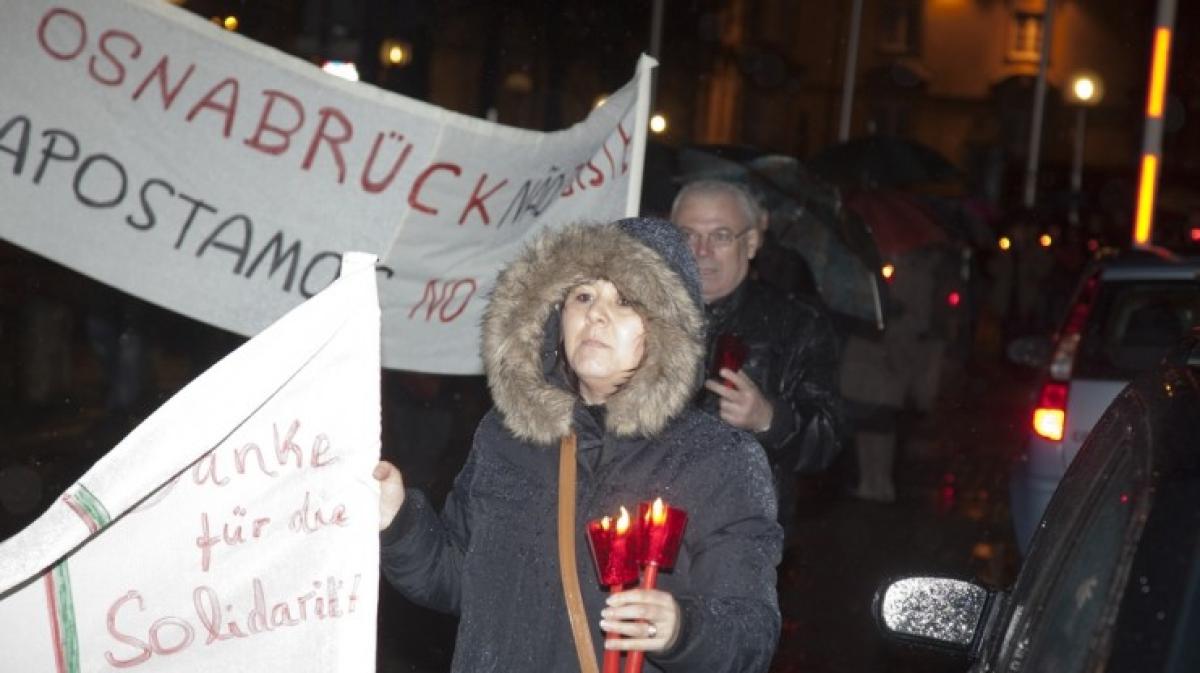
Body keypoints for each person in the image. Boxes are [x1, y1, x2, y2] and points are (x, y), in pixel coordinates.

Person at [375, 217, 782, 672]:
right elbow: (458, 579)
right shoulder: (508, 436)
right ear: (555, 315)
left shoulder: (717, 460)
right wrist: (398, 521)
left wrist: (680, 629)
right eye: (583, 296)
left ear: (667, 328)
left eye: (626, 300)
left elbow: (750, 634)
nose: (596, 315)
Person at [670, 180, 843, 530]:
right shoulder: (635, 314)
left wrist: (769, 418)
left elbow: (827, 440)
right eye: (688, 235)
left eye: (720, 235)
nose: (701, 250)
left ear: (750, 243)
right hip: (641, 525)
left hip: (739, 535)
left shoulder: (795, 325)